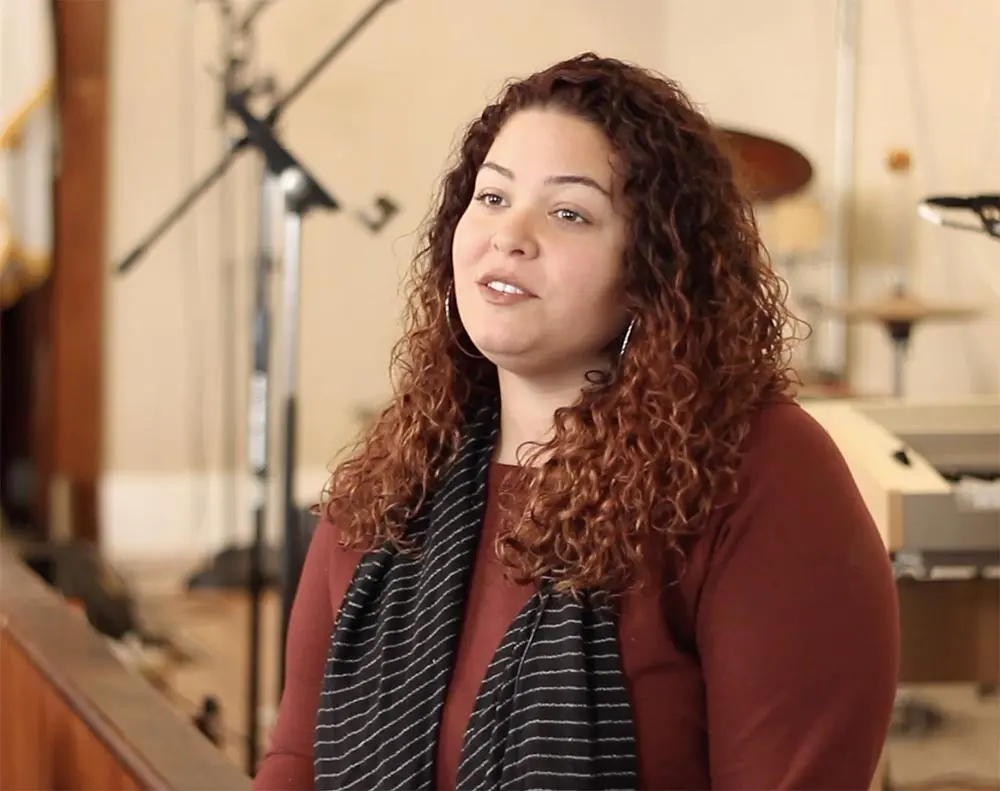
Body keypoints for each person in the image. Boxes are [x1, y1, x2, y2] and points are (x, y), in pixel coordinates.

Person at [252, 53, 899, 791]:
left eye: (570, 213)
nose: (510, 235)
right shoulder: (402, 467)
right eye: (491, 198)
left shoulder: (760, 470)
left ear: (654, 268)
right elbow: (297, 761)